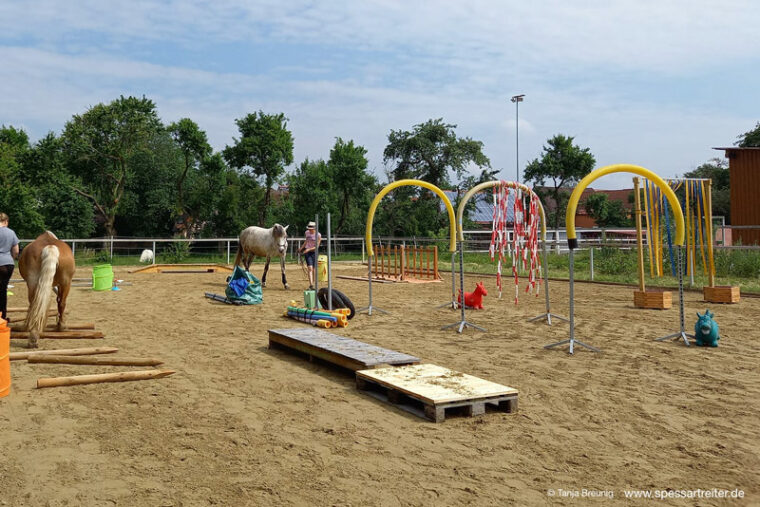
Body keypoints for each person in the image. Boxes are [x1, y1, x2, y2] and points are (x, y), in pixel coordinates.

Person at [0, 213, 20, 322]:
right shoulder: (11, 232)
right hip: (9, 264)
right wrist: (11, 258)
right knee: (3, 290)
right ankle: (3, 316)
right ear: (6, 221)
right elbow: (16, 250)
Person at [298, 221, 321, 290]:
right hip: (307, 252)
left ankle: (314, 283)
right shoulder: (307, 233)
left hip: (314, 252)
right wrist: (301, 248)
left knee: (314, 269)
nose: (309, 229)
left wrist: (309, 249)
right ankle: (311, 284)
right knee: (310, 268)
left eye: (311, 228)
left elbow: (317, 246)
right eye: (309, 228)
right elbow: (306, 241)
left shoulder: (318, 235)